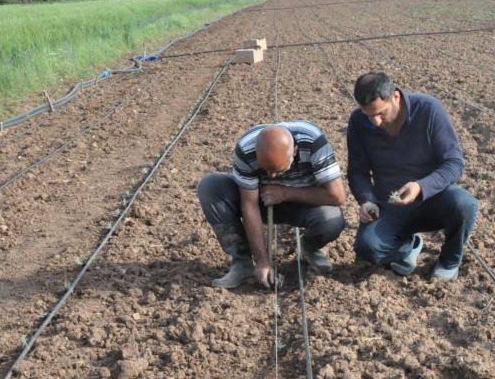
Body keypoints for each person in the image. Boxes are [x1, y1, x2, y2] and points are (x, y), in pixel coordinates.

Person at [348, 71, 476, 281]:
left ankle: (450, 260)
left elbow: (454, 163)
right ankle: (409, 248)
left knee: (463, 204)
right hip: (390, 202)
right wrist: (367, 201)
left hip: (433, 199)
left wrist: (421, 186)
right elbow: (357, 171)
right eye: (369, 115)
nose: (376, 121)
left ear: (395, 97)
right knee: (368, 248)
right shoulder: (357, 122)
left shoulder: (428, 109)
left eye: (381, 113)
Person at [198, 121, 346, 289]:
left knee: (331, 219)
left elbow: (337, 196)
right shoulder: (246, 148)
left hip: (303, 202)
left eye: (278, 169)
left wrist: (284, 193)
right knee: (211, 186)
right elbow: (249, 204)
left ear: (294, 152)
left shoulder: (312, 141)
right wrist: (262, 261)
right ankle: (242, 264)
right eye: (266, 170)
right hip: (261, 199)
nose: (272, 175)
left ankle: (310, 247)